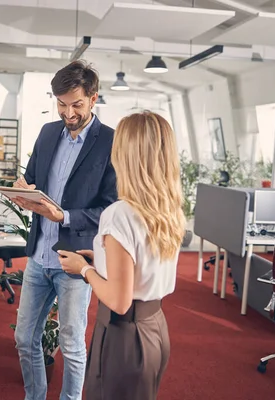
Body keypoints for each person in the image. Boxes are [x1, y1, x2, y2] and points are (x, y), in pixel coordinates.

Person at [58, 111, 185, 400]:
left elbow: (118, 300)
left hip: (123, 336)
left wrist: (84, 270)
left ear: (126, 155)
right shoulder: (168, 209)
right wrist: (101, 259)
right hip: (155, 329)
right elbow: (143, 264)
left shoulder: (119, 214)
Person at [11, 60, 117, 400]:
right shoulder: (46, 133)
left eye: (76, 104)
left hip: (75, 261)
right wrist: (22, 190)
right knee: (25, 339)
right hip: (39, 257)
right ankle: (34, 396)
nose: (67, 112)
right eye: (61, 103)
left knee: (72, 345)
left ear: (93, 98)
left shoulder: (111, 142)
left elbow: (111, 209)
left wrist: (66, 217)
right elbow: (32, 179)